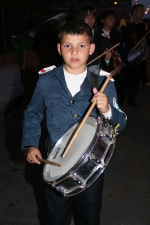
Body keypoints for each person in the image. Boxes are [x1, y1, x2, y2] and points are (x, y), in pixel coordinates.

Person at [22, 19, 127, 225]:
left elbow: (121, 124)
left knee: (89, 214)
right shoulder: (46, 80)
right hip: (56, 161)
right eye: (68, 46)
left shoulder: (103, 80)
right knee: (55, 216)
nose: (75, 52)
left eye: (82, 46)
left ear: (92, 48)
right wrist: (30, 144)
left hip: (91, 165)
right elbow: (33, 113)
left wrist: (106, 109)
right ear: (59, 48)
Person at [121, 4, 150, 106]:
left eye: (143, 10)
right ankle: (120, 101)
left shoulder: (143, 26)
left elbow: (147, 40)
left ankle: (131, 100)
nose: (142, 12)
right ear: (134, 12)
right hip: (127, 56)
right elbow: (126, 37)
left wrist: (146, 40)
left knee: (136, 80)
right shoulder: (127, 25)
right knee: (124, 81)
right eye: (140, 10)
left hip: (138, 58)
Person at [98, 10, 129, 106]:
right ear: (103, 20)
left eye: (114, 19)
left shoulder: (117, 34)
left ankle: (118, 107)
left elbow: (123, 50)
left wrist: (117, 54)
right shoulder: (97, 34)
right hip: (102, 67)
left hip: (116, 67)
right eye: (110, 18)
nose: (113, 21)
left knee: (120, 88)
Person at [77, 4, 112, 75]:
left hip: (97, 75)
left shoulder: (101, 38)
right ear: (81, 18)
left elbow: (107, 64)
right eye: (87, 16)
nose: (90, 19)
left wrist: (107, 59)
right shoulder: (74, 37)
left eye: (93, 16)